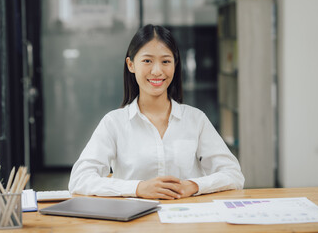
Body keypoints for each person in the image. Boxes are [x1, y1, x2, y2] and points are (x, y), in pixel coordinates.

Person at [68, 24, 244, 199]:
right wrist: (138, 188)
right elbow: (79, 179)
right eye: (147, 61)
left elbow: (233, 175)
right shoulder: (114, 123)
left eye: (166, 61)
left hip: (186, 220)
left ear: (175, 65)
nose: (157, 71)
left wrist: (193, 185)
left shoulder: (196, 119)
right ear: (131, 64)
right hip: (133, 223)